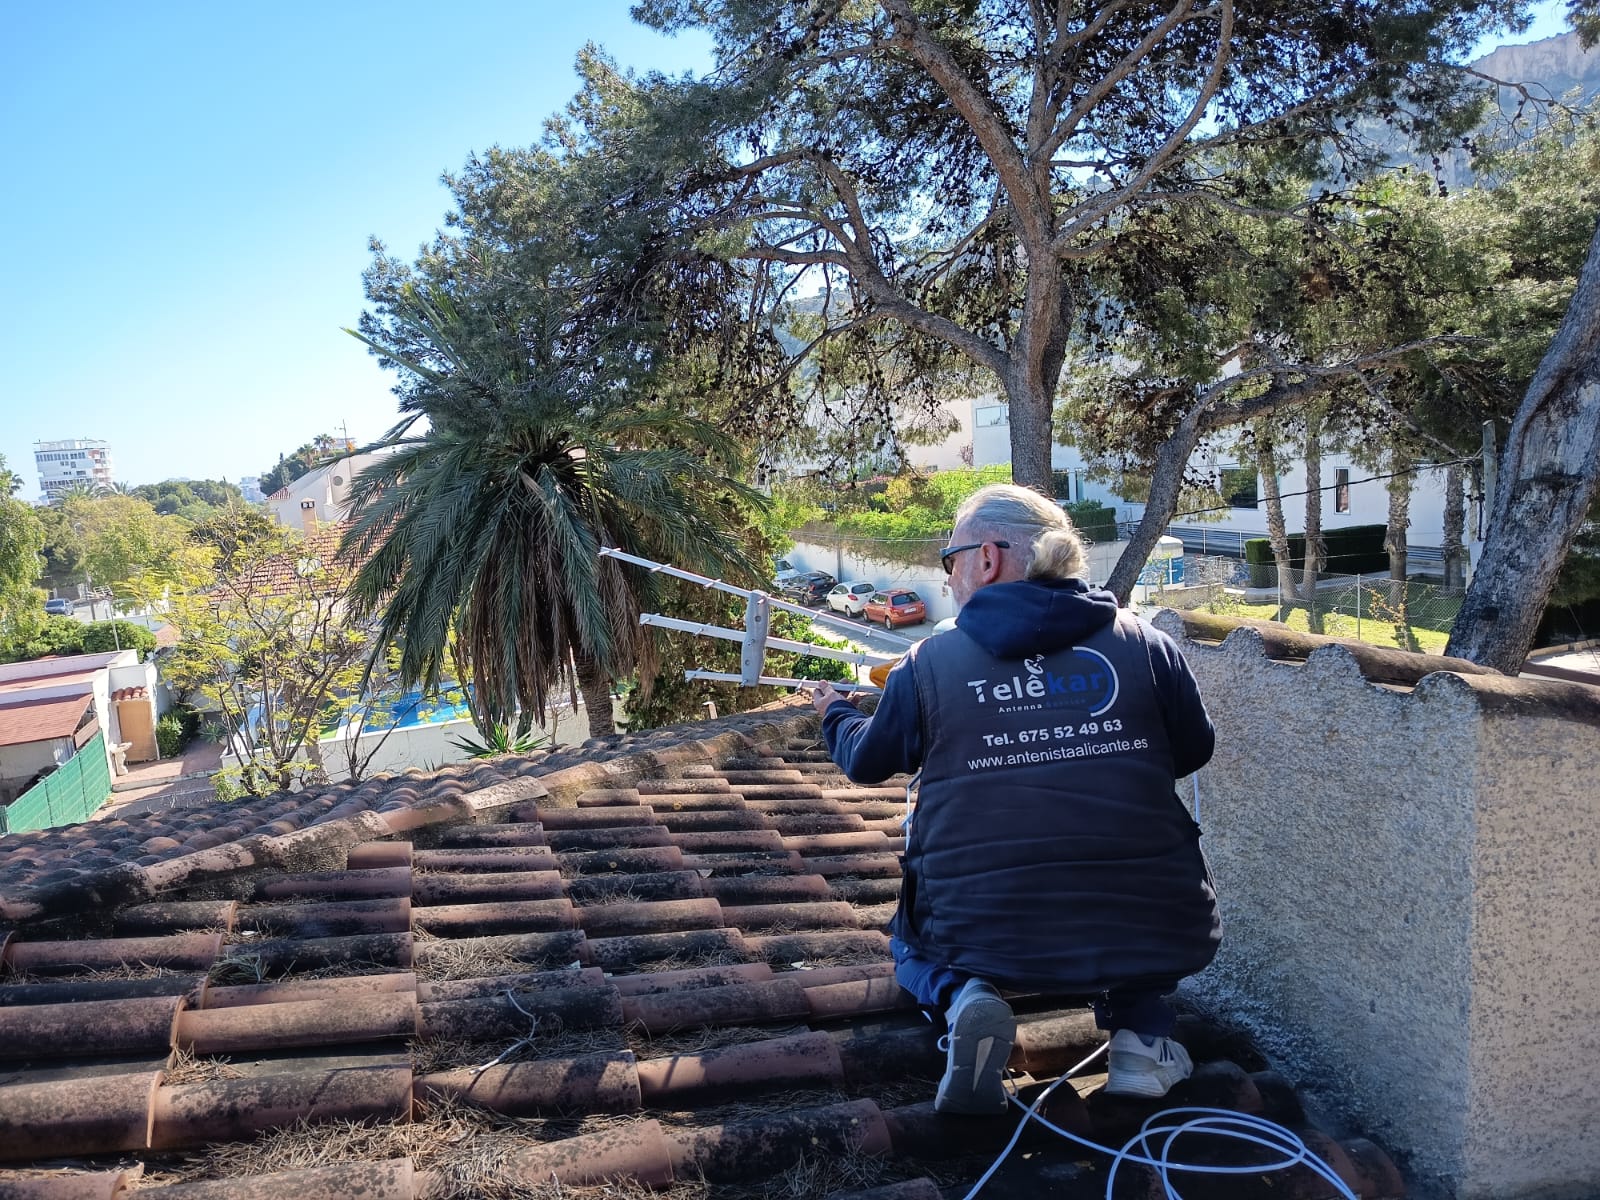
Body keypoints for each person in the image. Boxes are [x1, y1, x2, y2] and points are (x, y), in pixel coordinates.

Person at [808, 484, 1220, 1114]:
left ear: (989, 560)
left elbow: (867, 762)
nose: (948, 580)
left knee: (910, 945)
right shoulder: (1147, 645)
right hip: (1155, 925)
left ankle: (963, 998)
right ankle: (1140, 1042)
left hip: (986, 933)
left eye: (951, 560)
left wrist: (835, 714)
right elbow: (1191, 752)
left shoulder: (928, 664)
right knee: (1137, 899)